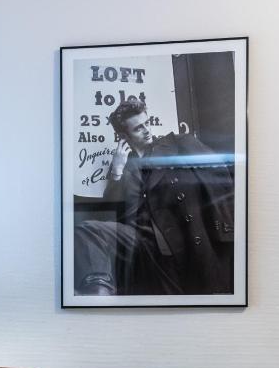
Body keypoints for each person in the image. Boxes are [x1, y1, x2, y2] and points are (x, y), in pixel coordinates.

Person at [74, 99, 234, 296]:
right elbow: (115, 214)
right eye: (138, 128)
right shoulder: (124, 165)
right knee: (88, 230)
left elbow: (219, 175)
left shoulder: (178, 143)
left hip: (184, 241)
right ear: (123, 136)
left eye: (147, 123)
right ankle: (98, 295)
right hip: (144, 244)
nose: (147, 130)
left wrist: (225, 229)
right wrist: (116, 170)